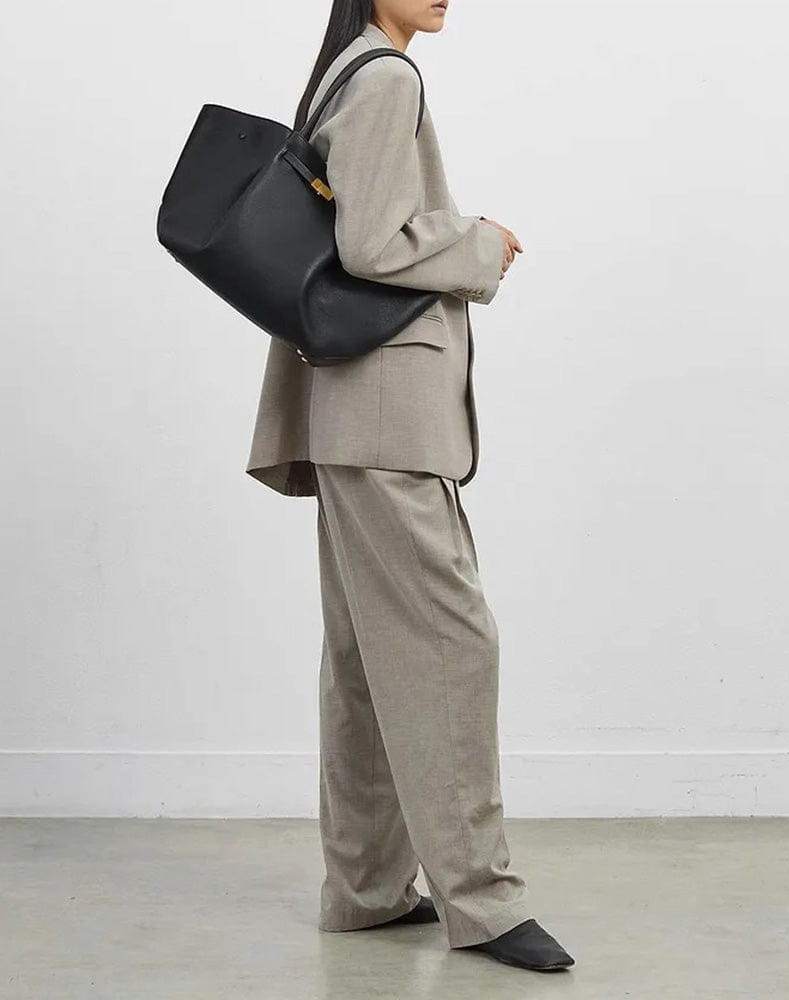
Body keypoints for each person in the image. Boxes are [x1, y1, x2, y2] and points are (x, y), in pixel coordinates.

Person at [246, 0, 575, 973]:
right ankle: (481, 898)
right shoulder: (384, 78)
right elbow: (371, 244)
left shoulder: (343, 72)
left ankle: (366, 887)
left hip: (349, 407)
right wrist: (479, 241)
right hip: (387, 413)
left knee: (363, 659)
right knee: (448, 645)